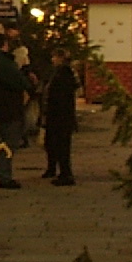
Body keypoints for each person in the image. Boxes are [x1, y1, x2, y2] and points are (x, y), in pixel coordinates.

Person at [0, 34, 28, 190]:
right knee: (9, 142)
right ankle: (4, 175)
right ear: (5, 44)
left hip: (2, 107)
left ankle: (3, 173)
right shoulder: (5, 62)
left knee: (7, 140)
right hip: (9, 107)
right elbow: (19, 81)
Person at [42, 48, 79, 186]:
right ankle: (56, 170)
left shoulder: (64, 73)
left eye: (55, 57)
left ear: (61, 58)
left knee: (62, 146)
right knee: (53, 144)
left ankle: (66, 174)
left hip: (61, 116)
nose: (52, 60)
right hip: (58, 115)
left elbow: (62, 96)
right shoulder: (59, 73)